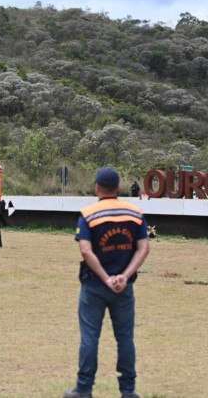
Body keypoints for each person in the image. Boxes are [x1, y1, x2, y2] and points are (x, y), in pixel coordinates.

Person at [64, 167, 150, 398]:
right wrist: (124, 276)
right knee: (125, 338)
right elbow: (144, 248)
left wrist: (105, 278)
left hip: (94, 285)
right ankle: (128, 391)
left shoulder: (88, 214)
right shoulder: (134, 213)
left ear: (97, 187)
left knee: (90, 337)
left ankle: (83, 390)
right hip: (124, 287)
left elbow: (85, 250)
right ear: (119, 188)